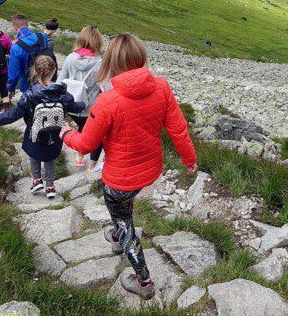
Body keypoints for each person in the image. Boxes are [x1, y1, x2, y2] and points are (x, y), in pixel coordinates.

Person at [60, 33, 197, 300]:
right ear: (141, 58)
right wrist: (189, 160)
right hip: (150, 172)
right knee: (123, 214)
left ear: (110, 61)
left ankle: (143, 281)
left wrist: (65, 133)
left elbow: (85, 144)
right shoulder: (161, 87)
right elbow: (178, 130)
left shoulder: (108, 101)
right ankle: (116, 234)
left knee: (125, 223)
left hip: (120, 180)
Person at [0, 55, 84, 198]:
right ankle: (50, 186)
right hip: (55, 135)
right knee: (50, 159)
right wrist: (85, 103)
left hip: (34, 133)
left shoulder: (29, 95)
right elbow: (76, 107)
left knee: (33, 153)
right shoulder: (62, 94)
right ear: (54, 71)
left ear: (35, 71)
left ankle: (36, 180)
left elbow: (11, 116)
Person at [58, 25, 104, 170]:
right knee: (97, 135)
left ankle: (79, 157)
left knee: (80, 127)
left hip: (73, 105)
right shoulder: (100, 62)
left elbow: (60, 81)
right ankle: (92, 165)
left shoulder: (70, 58)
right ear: (98, 41)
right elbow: (106, 86)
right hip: (92, 106)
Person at [7, 14, 52, 98]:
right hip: (44, 79)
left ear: (15, 28)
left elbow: (13, 74)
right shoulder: (42, 37)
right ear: (27, 24)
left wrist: (10, 89)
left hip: (27, 84)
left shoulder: (15, 47)